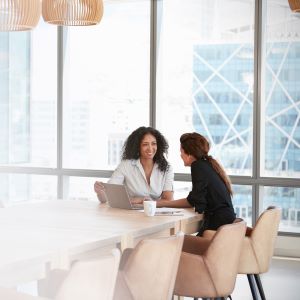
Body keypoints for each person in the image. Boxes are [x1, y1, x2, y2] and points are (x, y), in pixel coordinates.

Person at [156, 132, 236, 235]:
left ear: (189, 153)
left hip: (218, 226)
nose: (180, 155)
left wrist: (161, 203)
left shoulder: (197, 166)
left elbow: (194, 200)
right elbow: (197, 199)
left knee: (177, 242)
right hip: (226, 223)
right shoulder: (207, 164)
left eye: (181, 151)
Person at [94, 126, 174, 204]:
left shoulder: (167, 168)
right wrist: (99, 191)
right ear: (137, 147)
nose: (150, 148)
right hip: (131, 215)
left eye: (153, 144)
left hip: (157, 215)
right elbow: (108, 197)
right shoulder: (126, 165)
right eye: (145, 144)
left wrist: (142, 202)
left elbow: (168, 200)